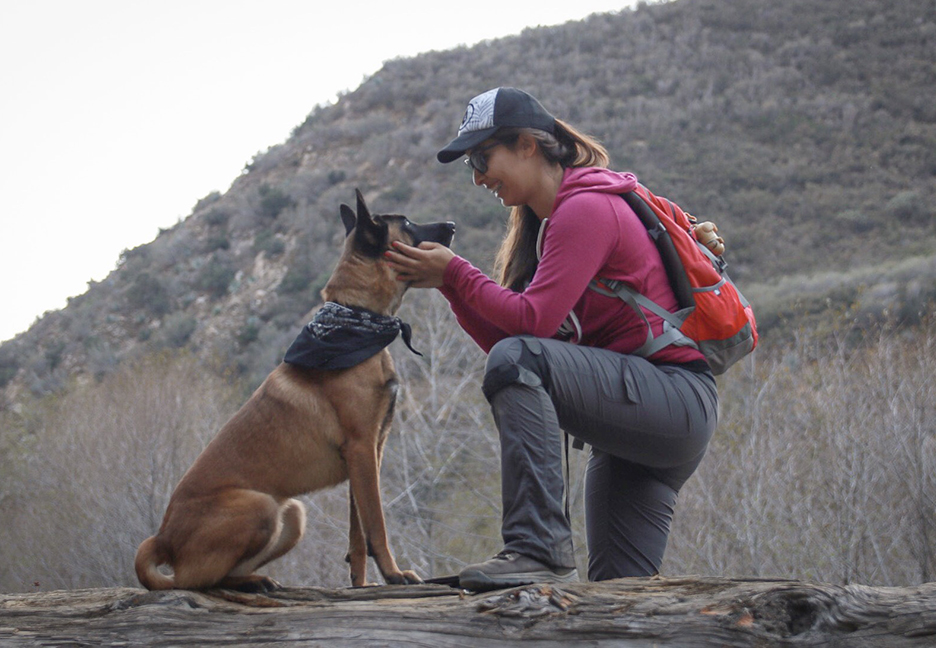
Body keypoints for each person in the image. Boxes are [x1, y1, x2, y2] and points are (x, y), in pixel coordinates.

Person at [385, 87, 718, 591]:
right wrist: (452, 287)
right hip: (638, 423)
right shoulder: (549, 227)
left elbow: (531, 330)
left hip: (673, 398)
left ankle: (535, 547)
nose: (477, 177)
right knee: (616, 601)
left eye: (481, 157)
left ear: (526, 145)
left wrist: (458, 272)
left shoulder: (585, 210)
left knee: (518, 357)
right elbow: (510, 345)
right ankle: (548, 562)